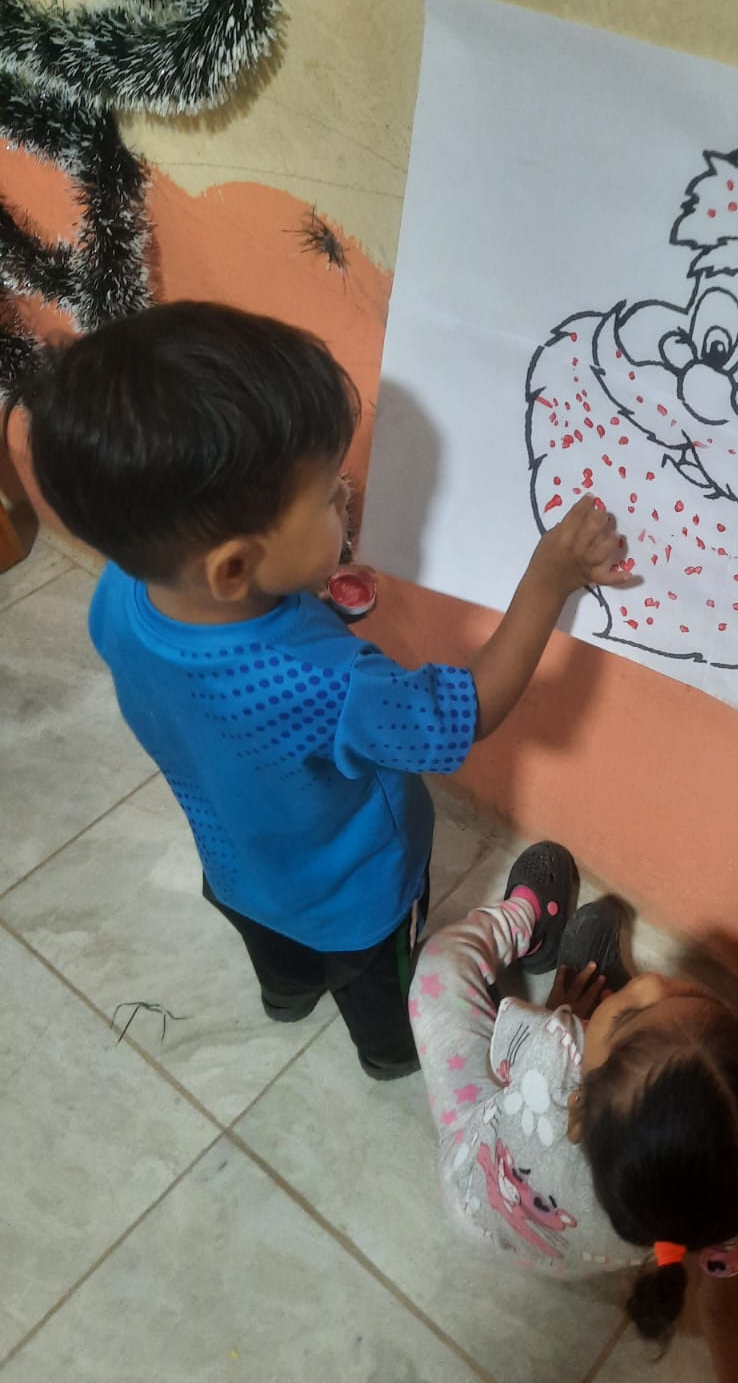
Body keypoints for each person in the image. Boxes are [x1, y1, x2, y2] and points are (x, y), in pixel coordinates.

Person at [7, 301, 631, 1078]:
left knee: (283, 961)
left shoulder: (122, 596)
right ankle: (389, 1054)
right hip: (358, 904)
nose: (346, 493)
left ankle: (287, 995)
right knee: (381, 1001)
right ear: (234, 568)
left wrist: (299, 583)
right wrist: (548, 579)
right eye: (328, 495)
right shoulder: (334, 683)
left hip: (237, 872)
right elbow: (467, 713)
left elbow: (220, 675)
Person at [411, 842, 738, 1383]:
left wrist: (561, 1014)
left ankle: (524, 921)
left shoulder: (550, 1052)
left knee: (440, 964)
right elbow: (727, 1302)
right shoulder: (731, 1207)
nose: (652, 983)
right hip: (566, 1257)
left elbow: (510, 1062)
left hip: (470, 1189)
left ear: (578, 1105)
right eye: (691, 998)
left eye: (628, 1013)